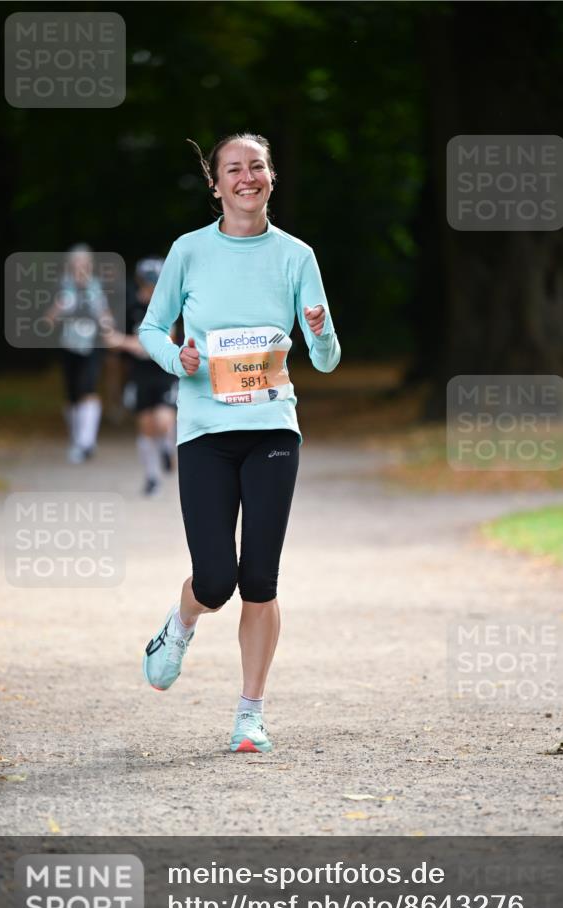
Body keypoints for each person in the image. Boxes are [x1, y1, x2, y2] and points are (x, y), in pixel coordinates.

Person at [138, 131, 341, 753]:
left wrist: (320, 328)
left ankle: (249, 714)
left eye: (257, 167)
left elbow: (327, 361)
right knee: (216, 579)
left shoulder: (296, 256)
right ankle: (180, 625)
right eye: (234, 168)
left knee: (260, 578)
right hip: (204, 430)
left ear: (271, 178)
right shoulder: (189, 251)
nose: (246, 177)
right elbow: (150, 327)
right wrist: (179, 357)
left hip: (273, 428)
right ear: (216, 183)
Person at [102, 257, 179, 495]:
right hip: (140, 374)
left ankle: (168, 447)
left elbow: (162, 342)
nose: (152, 288)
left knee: (163, 421)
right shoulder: (131, 307)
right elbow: (112, 341)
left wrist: (125, 342)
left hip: (164, 373)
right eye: (148, 283)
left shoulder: (169, 306)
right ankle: (152, 477)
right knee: (146, 425)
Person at [44, 244, 113, 463]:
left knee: (88, 388)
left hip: (92, 346)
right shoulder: (61, 288)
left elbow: (106, 317)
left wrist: (108, 326)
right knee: (72, 394)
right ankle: (77, 439)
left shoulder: (97, 288)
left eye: (85, 264)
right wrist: (59, 307)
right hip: (68, 345)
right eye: (77, 264)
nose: (81, 268)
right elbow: (48, 321)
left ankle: (86, 441)